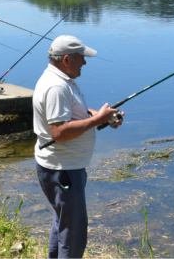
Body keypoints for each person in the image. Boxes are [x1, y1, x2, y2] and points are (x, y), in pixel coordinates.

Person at [33, 35, 123, 258]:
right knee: (73, 235)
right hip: (63, 171)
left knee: (63, 223)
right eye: (81, 57)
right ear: (66, 59)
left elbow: (73, 114)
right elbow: (59, 132)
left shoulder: (62, 80)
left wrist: (102, 117)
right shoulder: (56, 87)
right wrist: (97, 119)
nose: (84, 62)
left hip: (64, 168)